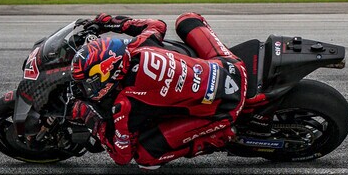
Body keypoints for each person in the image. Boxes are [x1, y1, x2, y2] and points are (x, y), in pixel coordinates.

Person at [70, 12, 248, 168]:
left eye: (88, 83)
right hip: (230, 65)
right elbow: (157, 25)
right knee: (188, 19)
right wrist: (107, 21)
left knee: (145, 157)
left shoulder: (125, 103)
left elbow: (122, 156)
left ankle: (220, 137)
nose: (85, 88)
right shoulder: (140, 45)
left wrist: (88, 115)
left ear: (108, 72)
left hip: (225, 107)